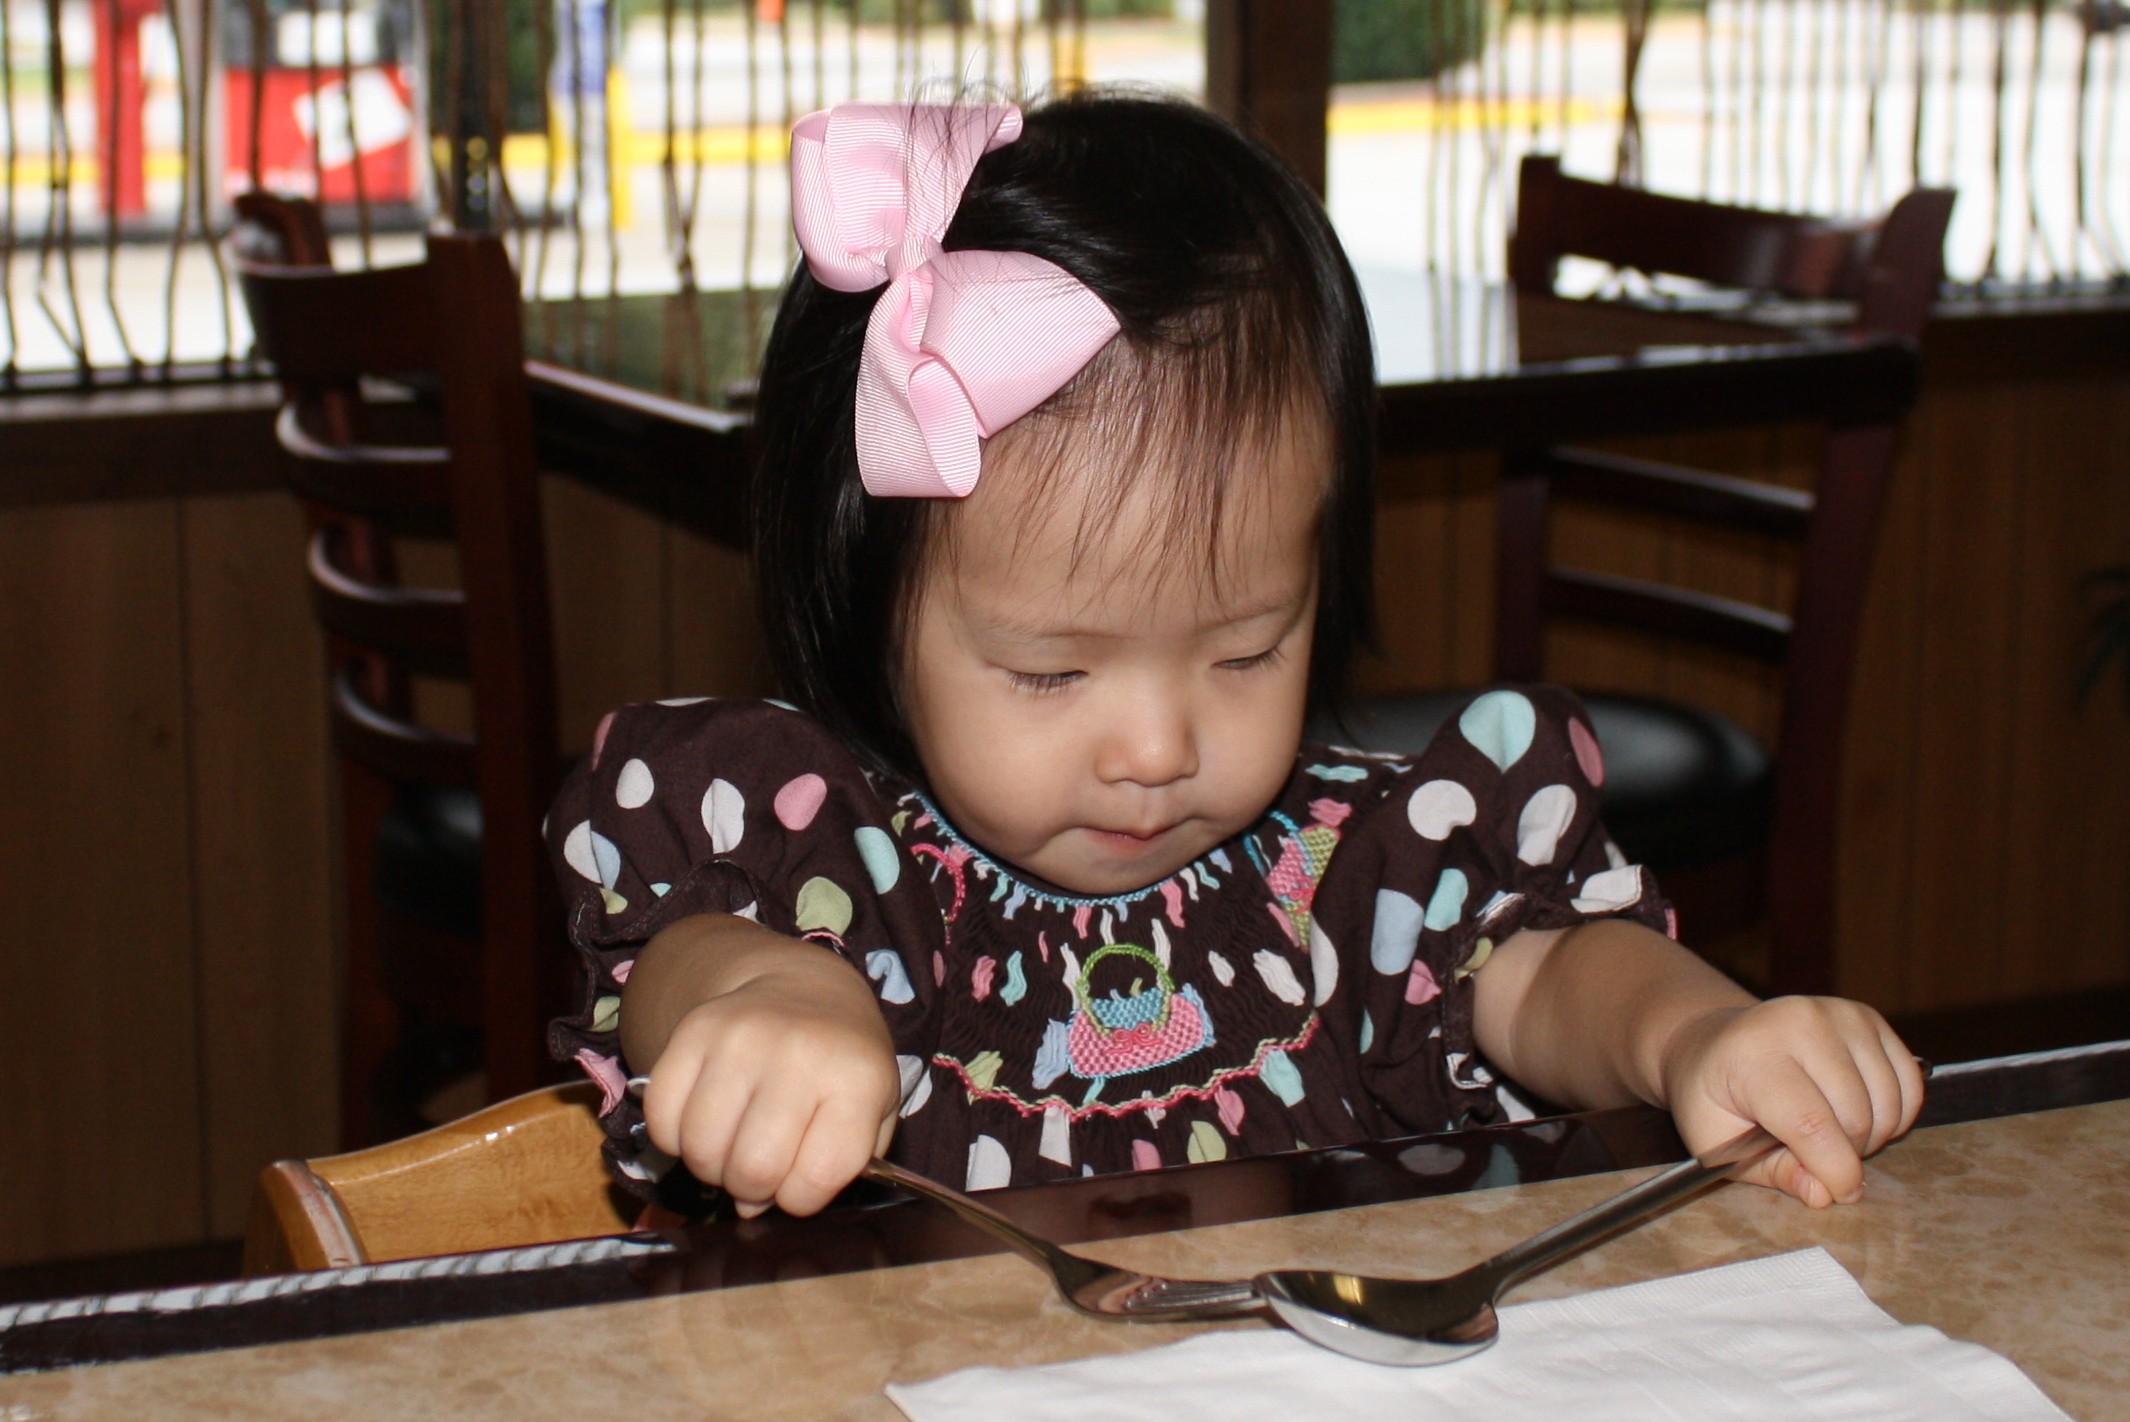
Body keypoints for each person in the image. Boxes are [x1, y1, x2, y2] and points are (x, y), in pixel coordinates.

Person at [547, 93, 1924, 1222]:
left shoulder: (1355, 870)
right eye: (1051, 672)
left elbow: (1550, 974)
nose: (1158, 748)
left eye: (1247, 648)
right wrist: (767, 998)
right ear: (868, 613)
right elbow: (678, 955)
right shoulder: (838, 872)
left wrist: (1692, 1035)